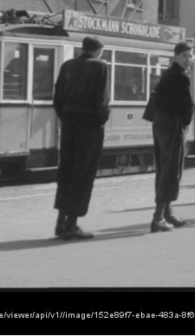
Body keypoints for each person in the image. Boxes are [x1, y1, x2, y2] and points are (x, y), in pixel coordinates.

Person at [53, 36, 110, 240]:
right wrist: (101, 121)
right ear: (98, 50)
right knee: (83, 172)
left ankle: (60, 222)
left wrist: (66, 116)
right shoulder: (100, 66)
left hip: (69, 122)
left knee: (66, 169)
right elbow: (102, 100)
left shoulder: (67, 65)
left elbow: (57, 97)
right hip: (89, 125)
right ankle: (72, 224)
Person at [150, 42, 195, 233]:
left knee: (164, 167)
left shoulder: (167, 74)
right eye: (185, 56)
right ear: (175, 56)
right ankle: (158, 217)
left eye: (190, 56)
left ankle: (167, 212)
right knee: (171, 170)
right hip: (172, 124)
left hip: (160, 122)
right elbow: (187, 104)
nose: (188, 60)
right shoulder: (181, 76)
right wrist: (185, 122)